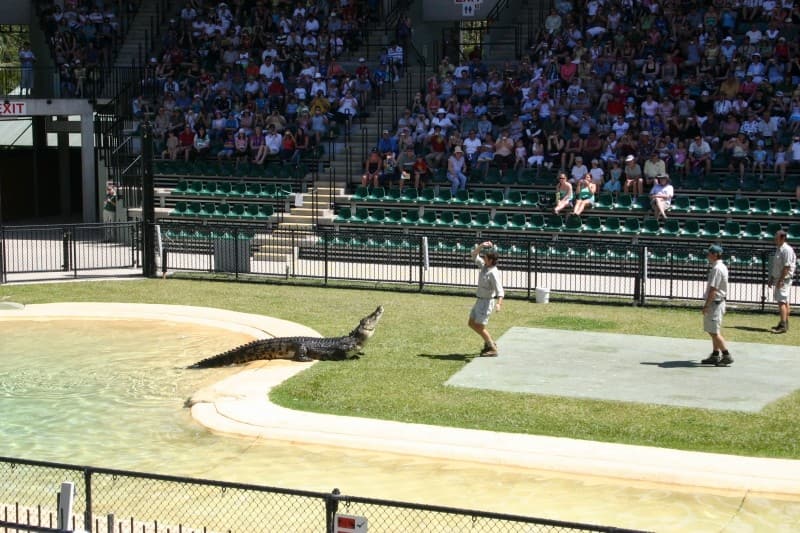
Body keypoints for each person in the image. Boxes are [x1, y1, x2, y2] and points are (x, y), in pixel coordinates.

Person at [468, 241, 504, 357]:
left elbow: (500, 291)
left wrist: (499, 304)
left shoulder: (493, 273)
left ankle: (492, 347)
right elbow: (474, 255)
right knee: (471, 323)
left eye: (486, 257)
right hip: (479, 300)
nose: (484, 258)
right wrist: (482, 246)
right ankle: (490, 343)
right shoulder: (484, 266)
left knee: (479, 326)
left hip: (486, 302)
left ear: (492, 260)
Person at [701, 245, 733, 366]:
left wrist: (706, 305)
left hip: (715, 303)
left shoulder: (717, 269)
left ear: (715, 255)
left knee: (714, 332)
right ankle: (715, 354)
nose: (707, 256)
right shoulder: (720, 267)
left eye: (709, 253)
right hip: (717, 302)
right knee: (713, 330)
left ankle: (726, 354)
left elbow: (713, 290)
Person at [768, 230, 797, 334]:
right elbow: (776, 265)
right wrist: (772, 278)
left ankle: (783, 325)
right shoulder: (779, 248)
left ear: (782, 238)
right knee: (784, 301)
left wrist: (780, 280)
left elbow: (786, 267)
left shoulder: (787, 250)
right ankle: (784, 322)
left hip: (783, 279)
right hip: (779, 278)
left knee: (781, 302)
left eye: (776, 237)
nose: (774, 239)